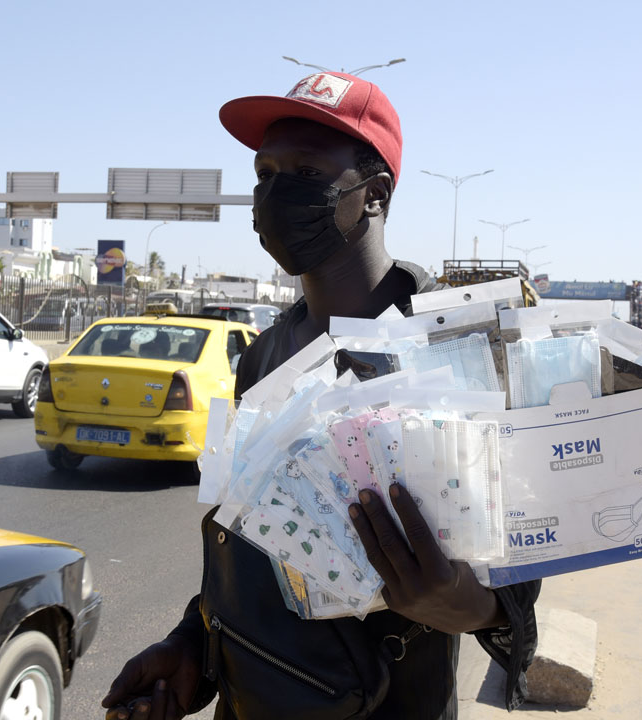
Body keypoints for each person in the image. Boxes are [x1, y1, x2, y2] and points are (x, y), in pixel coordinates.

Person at [102, 72, 540, 720]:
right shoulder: (260, 359)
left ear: (374, 194)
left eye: (304, 172)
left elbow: (517, 597)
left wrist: (463, 603)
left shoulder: (463, 353)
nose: (275, 194)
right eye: (265, 173)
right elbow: (241, 554)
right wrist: (193, 647)